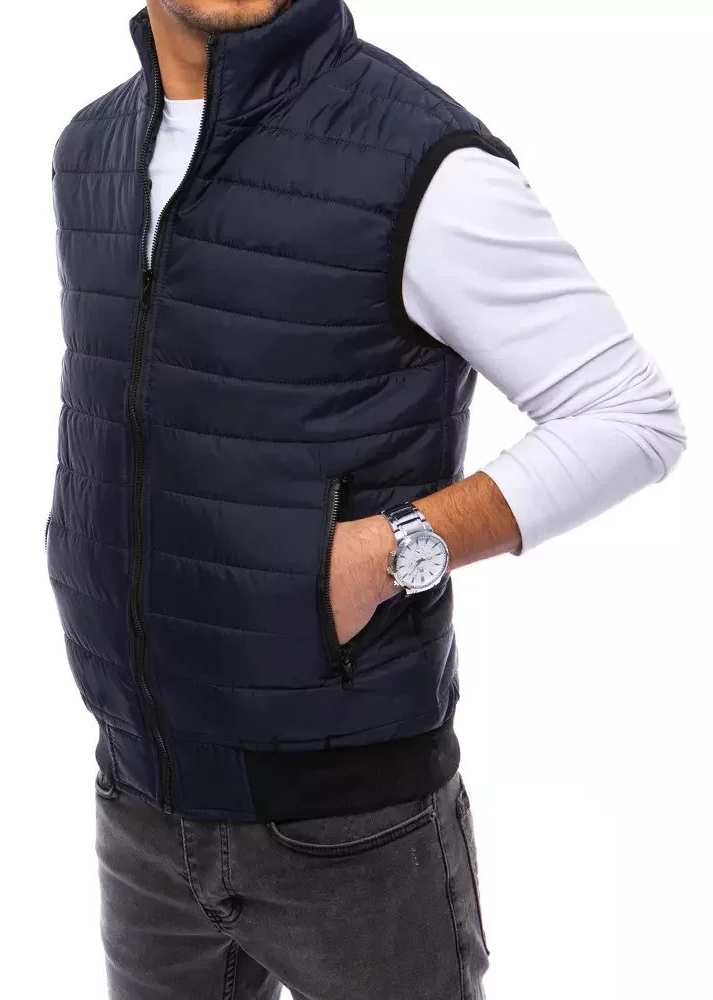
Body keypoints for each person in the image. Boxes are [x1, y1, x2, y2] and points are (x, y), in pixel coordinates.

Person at [46, 1, 686, 997]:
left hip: (351, 825)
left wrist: (393, 551)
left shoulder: (420, 161)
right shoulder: (90, 150)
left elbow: (630, 415)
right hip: (138, 796)